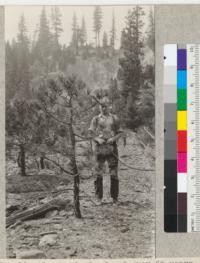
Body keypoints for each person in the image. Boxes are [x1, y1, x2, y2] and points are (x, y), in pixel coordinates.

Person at [88, 97, 124, 205]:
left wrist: (113, 138)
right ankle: (98, 198)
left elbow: (120, 132)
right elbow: (90, 133)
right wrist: (98, 139)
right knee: (98, 173)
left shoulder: (114, 118)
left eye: (105, 106)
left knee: (114, 173)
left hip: (111, 148)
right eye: (101, 106)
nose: (103, 108)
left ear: (109, 106)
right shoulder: (95, 119)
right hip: (99, 148)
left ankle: (114, 198)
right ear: (99, 107)